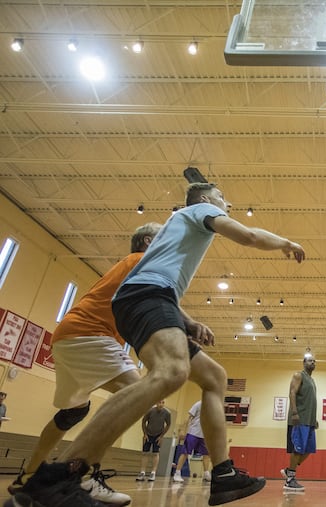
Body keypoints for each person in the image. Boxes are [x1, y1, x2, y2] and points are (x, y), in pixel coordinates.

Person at [7, 181, 305, 507]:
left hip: (151, 297)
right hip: (146, 296)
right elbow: (248, 236)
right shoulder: (200, 209)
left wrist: (187, 322)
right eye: (223, 198)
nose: (228, 203)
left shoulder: (171, 236)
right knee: (171, 372)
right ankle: (61, 475)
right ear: (206, 199)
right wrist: (285, 242)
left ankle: (222, 474)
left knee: (213, 377)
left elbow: (156, 273)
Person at [8, 223, 161, 506]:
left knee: (72, 413)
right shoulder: (141, 260)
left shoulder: (129, 269)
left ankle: (30, 475)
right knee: (140, 393)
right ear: (148, 241)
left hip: (67, 336)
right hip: (90, 334)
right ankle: (83, 476)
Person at [281, 356, 318, 492]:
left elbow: (310, 401)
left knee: (308, 450)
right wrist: (294, 412)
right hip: (300, 419)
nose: (313, 362)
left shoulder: (312, 380)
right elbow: (292, 392)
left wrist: (314, 419)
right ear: (303, 363)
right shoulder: (298, 375)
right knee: (298, 449)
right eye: (310, 360)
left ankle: (288, 470)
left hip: (309, 421)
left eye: (314, 361)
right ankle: (290, 480)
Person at [173, 400, 211, 483]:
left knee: (206, 454)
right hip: (193, 433)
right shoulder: (198, 404)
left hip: (204, 435)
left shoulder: (213, 407)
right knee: (185, 452)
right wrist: (183, 429)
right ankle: (177, 473)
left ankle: (206, 473)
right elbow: (188, 417)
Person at [137, 399, 172, 482]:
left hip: (158, 436)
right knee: (145, 453)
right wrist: (145, 434)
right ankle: (142, 472)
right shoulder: (150, 411)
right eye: (160, 402)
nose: (161, 404)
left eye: (163, 402)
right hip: (148, 434)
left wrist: (162, 436)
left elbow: (168, 424)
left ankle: (153, 473)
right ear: (156, 403)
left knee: (156, 454)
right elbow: (143, 421)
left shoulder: (167, 413)